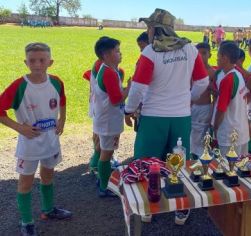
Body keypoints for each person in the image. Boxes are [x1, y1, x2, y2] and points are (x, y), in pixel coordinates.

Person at [124, 8, 209, 225]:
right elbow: (202, 83)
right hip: (181, 116)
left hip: (153, 117)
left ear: (155, 28)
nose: (148, 32)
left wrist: (128, 109)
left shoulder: (151, 52)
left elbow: (138, 88)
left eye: (149, 27)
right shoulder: (190, 49)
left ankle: (147, 207)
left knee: (146, 163)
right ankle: (181, 208)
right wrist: (188, 100)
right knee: (179, 164)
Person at [0, 42, 72, 236]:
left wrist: (62, 120)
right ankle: (26, 222)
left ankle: (48, 210)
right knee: (26, 182)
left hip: (51, 140)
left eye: (42, 60)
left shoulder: (56, 81)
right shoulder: (19, 85)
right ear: (26, 62)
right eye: (32, 60)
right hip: (29, 143)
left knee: (48, 176)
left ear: (50, 61)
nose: (37, 64)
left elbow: (63, 100)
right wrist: (20, 128)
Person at [92, 36, 130, 197]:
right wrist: (130, 87)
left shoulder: (109, 70)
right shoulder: (109, 73)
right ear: (106, 55)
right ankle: (105, 186)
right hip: (108, 121)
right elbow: (116, 100)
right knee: (106, 154)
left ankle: (102, 176)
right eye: (117, 51)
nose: (120, 54)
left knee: (103, 150)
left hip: (104, 118)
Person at [212, 41, 249, 156]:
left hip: (229, 134)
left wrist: (215, 127)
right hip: (242, 132)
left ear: (225, 57)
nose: (217, 59)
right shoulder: (238, 74)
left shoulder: (227, 80)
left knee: (227, 170)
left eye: (218, 56)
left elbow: (221, 109)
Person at [190, 42, 216, 159]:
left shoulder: (212, 72)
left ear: (210, 55)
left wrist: (213, 110)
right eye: (198, 53)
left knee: (201, 137)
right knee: (190, 135)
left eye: (204, 53)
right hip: (191, 107)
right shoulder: (190, 70)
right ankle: (191, 158)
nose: (201, 56)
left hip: (205, 108)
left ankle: (202, 160)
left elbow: (216, 94)